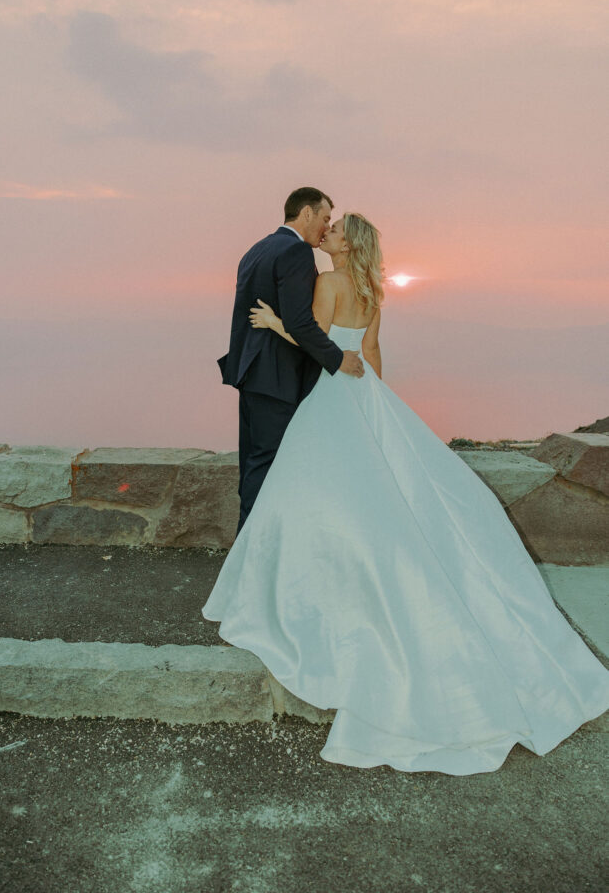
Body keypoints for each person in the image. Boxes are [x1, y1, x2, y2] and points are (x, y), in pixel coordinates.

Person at [203, 211, 609, 775]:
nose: (330, 235)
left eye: (338, 232)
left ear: (350, 246)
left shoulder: (330, 282)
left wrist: (274, 325)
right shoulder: (371, 291)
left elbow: (315, 340)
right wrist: (380, 410)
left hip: (333, 400)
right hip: (368, 395)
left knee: (313, 498)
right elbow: (370, 357)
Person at [218, 186, 364, 535]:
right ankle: (252, 550)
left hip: (251, 374)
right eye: (325, 218)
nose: (326, 227)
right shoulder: (297, 251)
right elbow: (301, 323)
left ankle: (249, 546)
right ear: (307, 213)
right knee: (270, 466)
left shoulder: (256, 249)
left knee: (253, 465)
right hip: (278, 378)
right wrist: (336, 358)